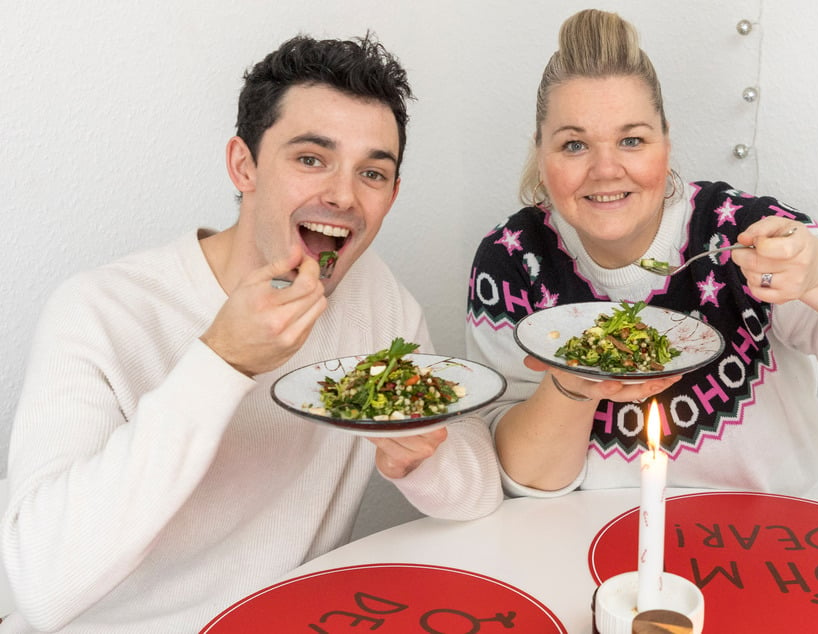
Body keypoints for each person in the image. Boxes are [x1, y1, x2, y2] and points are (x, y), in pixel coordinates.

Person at [1, 33, 502, 632]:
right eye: (310, 159)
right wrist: (222, 361)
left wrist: (421, 459)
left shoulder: (376, 298)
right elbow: (40, 581)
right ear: (245, 165)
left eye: (372, 172)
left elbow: (477, 496)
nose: (342, 195)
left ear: (392, 196)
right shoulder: (102, 310)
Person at [466, 10, 818, 513]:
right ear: (541, 153)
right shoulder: (514, 260)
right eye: (574, 144)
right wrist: (572, 382)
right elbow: (528, 480)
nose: (606, 169)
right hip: (617, 554)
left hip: (806, 530)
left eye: (632, 140)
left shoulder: (737, 229)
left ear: (667, 144)